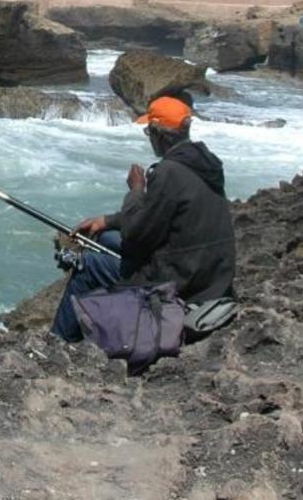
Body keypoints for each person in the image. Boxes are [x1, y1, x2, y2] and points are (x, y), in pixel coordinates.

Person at [50, 95, 236, 342]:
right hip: (210, 273)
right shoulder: (203, 163)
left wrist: (136, 190)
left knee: (90, 265)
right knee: (106, 237)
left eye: (149, 131)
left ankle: (57, 342)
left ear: (159, 135)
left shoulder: (168, 173)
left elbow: (136, 234)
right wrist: (107, 220)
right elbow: (155, 217)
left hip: (182, 282)